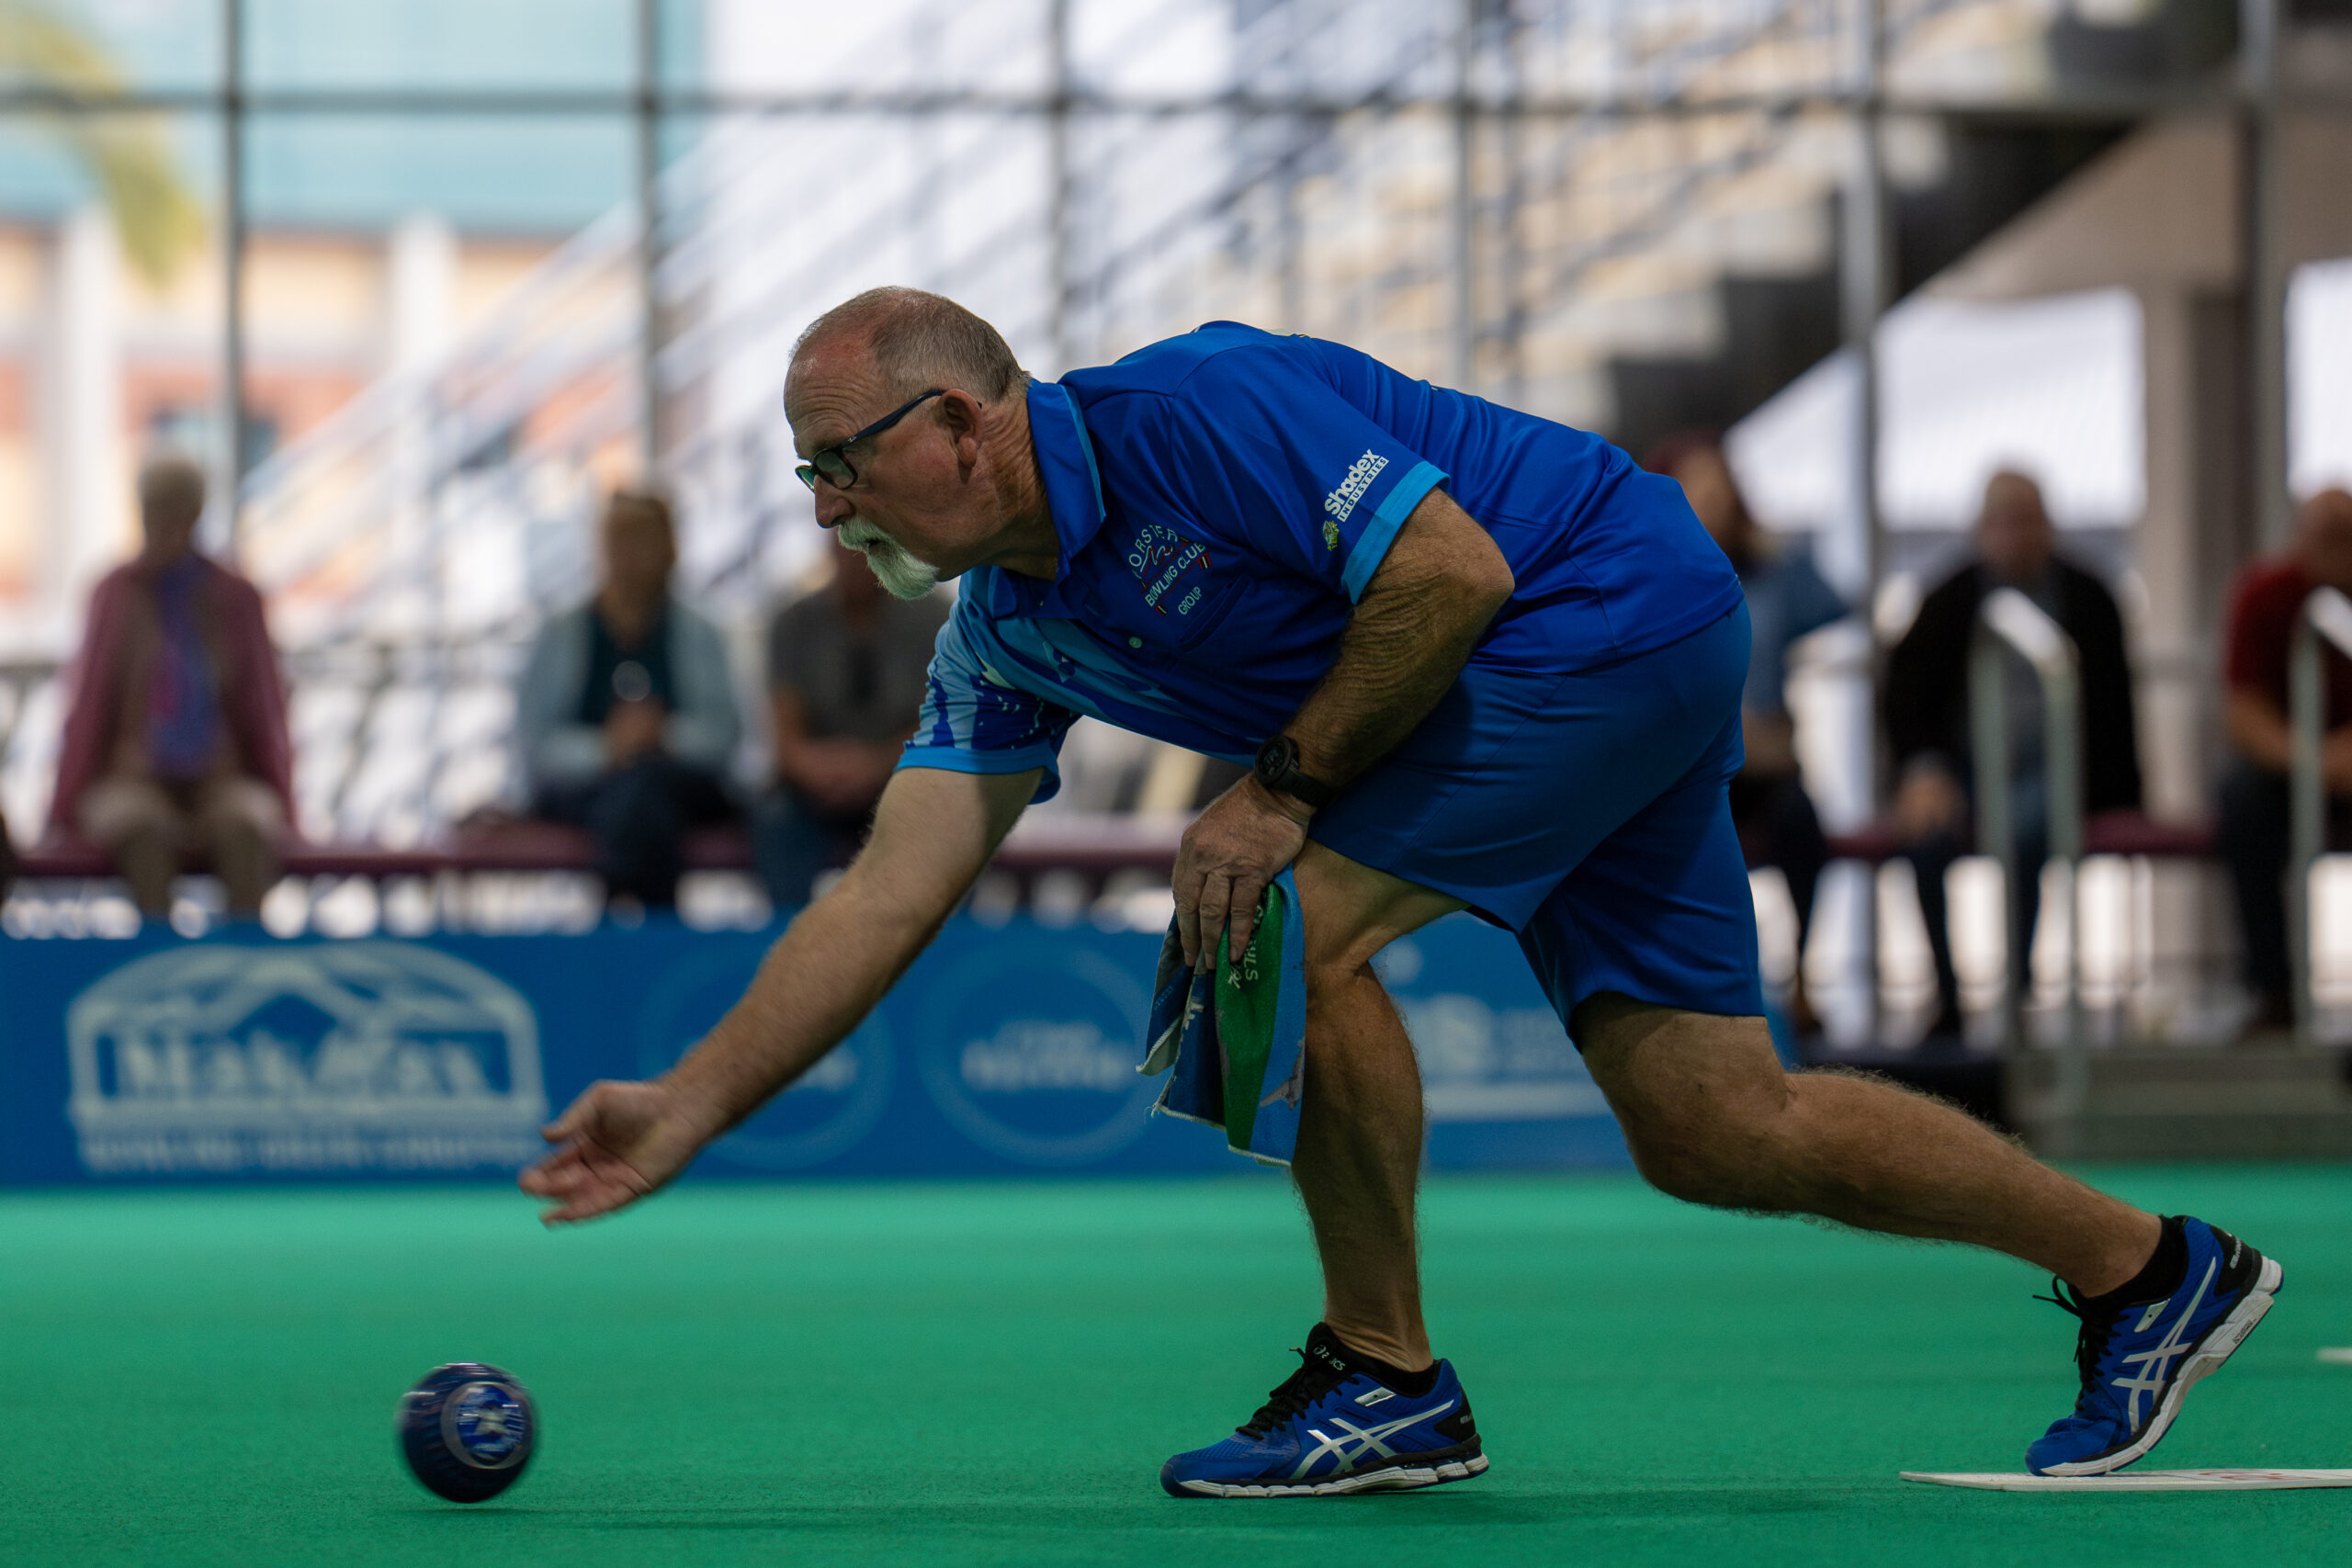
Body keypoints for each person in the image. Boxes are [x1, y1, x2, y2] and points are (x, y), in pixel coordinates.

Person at [522, 290, 2276, 1492]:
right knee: (1716, 1125)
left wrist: (1274, 794)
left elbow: (1452, 568)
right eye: (808, 469)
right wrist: (689, 1103)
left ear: (965, 428)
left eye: (840, 458)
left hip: (1598, 612)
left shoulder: (1194, 410)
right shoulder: (1008, 626)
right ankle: (2150, 1269)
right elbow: (880, 899)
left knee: (1274, 907)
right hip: (1547, 681)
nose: (824, 505)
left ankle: (1386, 1373)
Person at [1883, 470, 2143, 1041]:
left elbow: (2113, 715)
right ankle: (1949, 999)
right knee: (1925, 840)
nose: (2018, 536)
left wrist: (2106, 787)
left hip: (2059, 770)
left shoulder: (2088, 596)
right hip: (1965, 770)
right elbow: (1904, 697)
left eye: (2029, 521)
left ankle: (2017, 992)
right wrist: (1924, 768)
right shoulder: (1948, 599)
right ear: (1981, 530)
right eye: (2004, 522)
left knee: (2024, 829)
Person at [1647, 433, 1846, 1034]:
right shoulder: (1650, 581)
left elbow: (1840, 605)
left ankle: (1804, 977)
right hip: (1685, 768)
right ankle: (1712, 987)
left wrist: (1787, 553)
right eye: (1698, 487)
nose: (1715, 500)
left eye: (1722, 486)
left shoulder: (1771, 578)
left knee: (1802, 823)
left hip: (1764, 772)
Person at [50, 455, 294, 920]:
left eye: (169, 510)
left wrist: (283, 801)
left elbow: (263, 708)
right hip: (131, 777)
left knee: (245, 829)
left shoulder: (233, 597)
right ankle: (158, 963)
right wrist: (63, 809)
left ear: (195, 515)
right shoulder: (116, 594)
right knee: (144, 835)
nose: (157, 524)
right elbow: (87, 707)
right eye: (151, 510)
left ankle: (243, 960)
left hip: (219, 777)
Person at [517, 491, 742, 910]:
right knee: (635, 797)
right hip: (586, 792)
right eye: (618, 538)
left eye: (643, 538)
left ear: (671, 547)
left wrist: (660, 739)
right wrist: (608, 748)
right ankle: (657, 936)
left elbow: (724, 733)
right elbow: (537, 743)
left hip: (675, 788)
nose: (630, 552)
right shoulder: (563, 631)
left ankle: (618, 922)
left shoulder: (700, 631)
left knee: (642, 791)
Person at [2216, 487, 2352, 1036]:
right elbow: (2244, 710)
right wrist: (2312, 759)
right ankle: (2273, 991)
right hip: (2293, 767)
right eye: (2326, 540)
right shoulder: (2266, 595)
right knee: (2241, 802)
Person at [755, 536, 949, 908]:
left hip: (904, 776)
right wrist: (818, 768)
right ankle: (790, 940)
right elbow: (785, 736)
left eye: (870, 543)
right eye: (848, 542)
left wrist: (876, 765)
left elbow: (944, 724)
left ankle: (932, 945)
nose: (857, 557)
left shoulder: (935, 621)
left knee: (946, 813)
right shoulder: (794, 623)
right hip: (813, 790)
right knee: (774, 819)